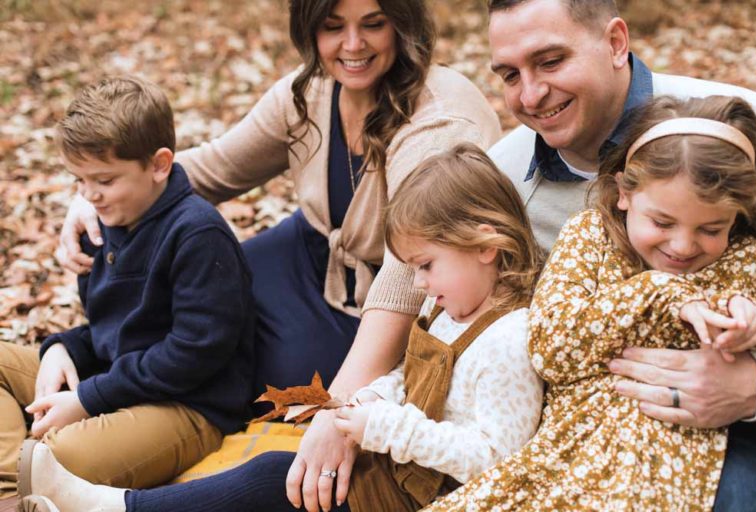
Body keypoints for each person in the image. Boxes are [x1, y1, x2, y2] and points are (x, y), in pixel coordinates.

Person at [54, 2, 500, 509]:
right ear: (309, 29)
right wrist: (92, 194)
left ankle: (148, 434)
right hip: (305, 255)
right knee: (200, 302)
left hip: (394, 296)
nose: (352, 46)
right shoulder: (309, 90)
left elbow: (405, 277)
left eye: (373, 24)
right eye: (333, 28)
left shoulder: (439, 121)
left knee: (247, 365)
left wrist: (339, 410)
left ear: (404, 23)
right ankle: (93, 383)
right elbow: (216, 167)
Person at [19, 144, 545, 512]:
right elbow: (410, 380)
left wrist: (386, 428)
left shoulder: (507, 341)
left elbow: (495, 462)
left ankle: (115, 507)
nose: (420, 284)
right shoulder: (451, 310)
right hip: (395, 470)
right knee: (282, 472)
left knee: (274, 480)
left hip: (421, 496)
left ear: (486, 246)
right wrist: (365, 402)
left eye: (426, 265)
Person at [482, 0, 756, 507]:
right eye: (509, 74)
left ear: (617, 43)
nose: (530, 94)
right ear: (621, 192)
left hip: (735, 440)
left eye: (550, 61)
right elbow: (417, 272)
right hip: (588, 445)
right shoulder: (506, 178)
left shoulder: (745, 138)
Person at [425, 95, 756, 510]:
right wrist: (656, 293)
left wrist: (753, 328)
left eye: (711, 228)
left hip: (671, 467)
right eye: (662, 222)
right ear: (625, 192)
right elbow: (551, 349)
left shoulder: (747, 259)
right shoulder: (591, 238)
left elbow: (749, 333)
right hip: (569, 455)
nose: (683, 245)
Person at [0, 75, 255, 510]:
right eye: (78, 180)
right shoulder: (105, 223)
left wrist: (86, 399)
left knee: (60, 457)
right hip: (116, 379)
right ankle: (15, 483)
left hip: (189, 408)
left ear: (159, 165)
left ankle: (20, 476)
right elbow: (117, 330)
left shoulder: (197, 234)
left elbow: (193, 353)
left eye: (103, 180)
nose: (88, 196)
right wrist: (63, 347)